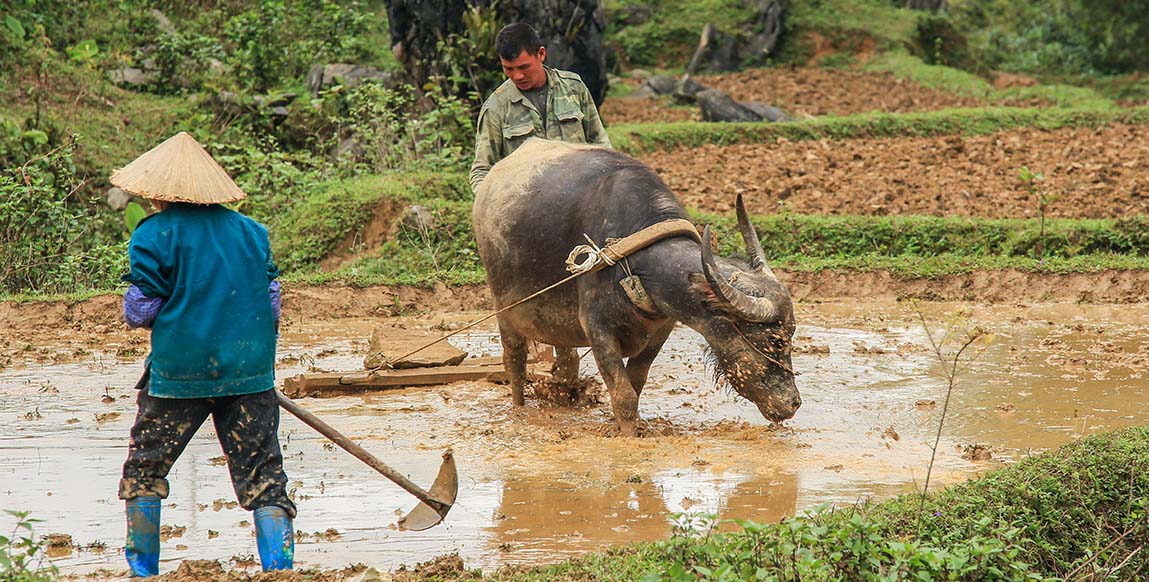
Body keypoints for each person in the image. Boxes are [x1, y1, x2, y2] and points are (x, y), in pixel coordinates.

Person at [111, 132, 294, 577]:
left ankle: (143, 572)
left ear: (156, 192)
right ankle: (281, 570)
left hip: (179, 374)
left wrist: (132, 306)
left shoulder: (153, 234)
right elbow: (271, 303)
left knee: (144, 471)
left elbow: (143, 309)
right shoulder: (253, 232)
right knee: (266, 478)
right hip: (250, 374)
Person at [469, 22, 612, 193]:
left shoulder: (573, 87)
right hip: (529, 207)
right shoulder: (496, 107)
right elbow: (481, 171)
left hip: (582, 198)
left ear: (541, 54)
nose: (517, 76)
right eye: (508, 69)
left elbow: (601, 145)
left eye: (524, 67)